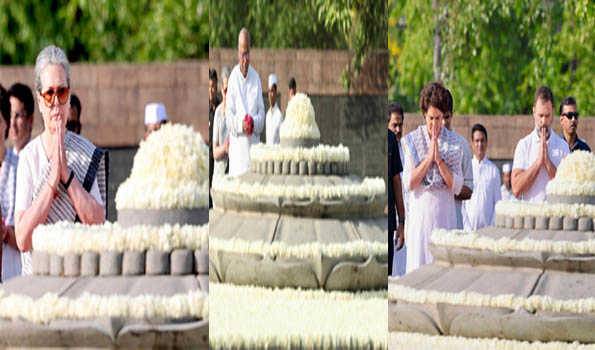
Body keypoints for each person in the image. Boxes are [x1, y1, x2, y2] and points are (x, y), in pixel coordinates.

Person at [15, 45, 107, 275]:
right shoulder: (29, 157)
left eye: (62, 92)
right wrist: (51, 183)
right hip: (38, 279)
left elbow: (99, 224)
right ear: (39, 99)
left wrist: (67, 177)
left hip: (79, 278)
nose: (56, 103)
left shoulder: (86, 153)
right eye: (49, 94)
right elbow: (22, 239)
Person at [402, 82, 465, 272]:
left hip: (444, 219)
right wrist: (428, 158)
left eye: (439, 118)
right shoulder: (413, 140)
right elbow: (409, 182)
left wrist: (439, 161)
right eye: (431, 118)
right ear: (424, 115)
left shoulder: (454, 143)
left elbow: (457, 186)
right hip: (420, 221)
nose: (434, 124)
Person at [0, 83, 36, 281]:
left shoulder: (31, 164)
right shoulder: (8, 159)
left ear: (31, 120)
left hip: (17, 271)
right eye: (9, 115)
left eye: (18, 116)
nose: (12, 123)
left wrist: (5, 233)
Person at [512, 86, 570, 202]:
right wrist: (538, 163)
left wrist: (548, 162)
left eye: (547, 116)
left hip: (555, 217)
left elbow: (568, 189)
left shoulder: (563, 147)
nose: (543, 121)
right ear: (534, 112)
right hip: (530, 218)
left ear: (553, 112)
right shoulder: (524, 145)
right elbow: (516, 189)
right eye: (540, 116)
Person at [225, 28, 265, 177]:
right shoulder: (233, 79)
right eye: (242, 54)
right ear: (237, 53)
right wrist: (241, 125)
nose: (245, 59)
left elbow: (262, 114)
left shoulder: (256, 78)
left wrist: (253, 123)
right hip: (237, 159)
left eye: (247, 53)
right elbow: (228, 118)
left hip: (253, 157)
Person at [442, 88, 473, 229]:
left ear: (452, 115)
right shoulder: (424, 145)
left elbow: (468, 190)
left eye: (446, 117)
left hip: (454, 222)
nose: (442, 123)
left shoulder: (462, 145)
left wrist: (448, 187)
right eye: (438, 117)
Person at [462, 124, 501, 231]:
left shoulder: (494, 171)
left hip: (488, 232)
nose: (480, 144)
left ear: (487, 142)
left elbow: (497, 203)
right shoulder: (466, 168)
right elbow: (462, 203)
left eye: (482, 140)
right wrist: (467, 228)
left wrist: (490, 228)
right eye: (477, 141)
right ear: (472, 143)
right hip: (467, 231)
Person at [387, 102, 405, 276]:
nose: (398, 129)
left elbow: (397, 182)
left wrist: (402, 221)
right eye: (394, 125)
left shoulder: (404, 147)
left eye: (401, 125)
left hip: (393, 221)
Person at [213, 65, 230, 180]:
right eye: (225, 89)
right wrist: (225, 148)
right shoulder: (218, 112)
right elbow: (215, 152)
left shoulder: (237, 111)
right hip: (220, 174)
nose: (227, 93)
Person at [265, 74, 283, 145]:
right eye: (269, 91)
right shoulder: (268, 114)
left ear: (275, 92)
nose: (270, 94)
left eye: (272, 91)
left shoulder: (279, 116)